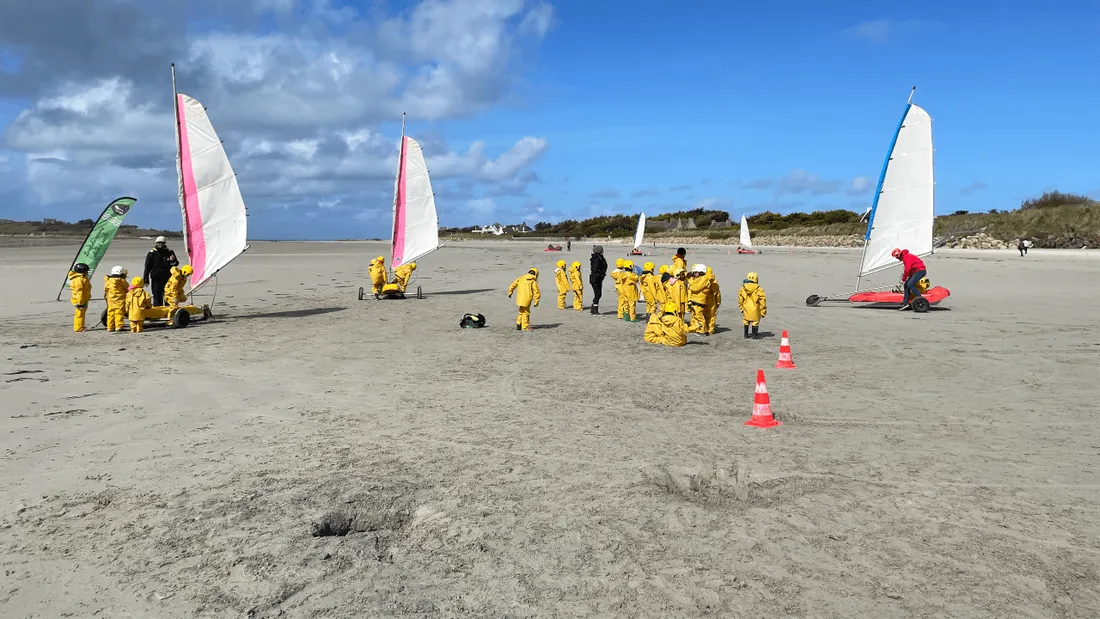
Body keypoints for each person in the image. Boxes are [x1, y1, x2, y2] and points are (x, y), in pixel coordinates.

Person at [143, 236, 179, 307]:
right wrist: (146, 280)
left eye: (162, 243)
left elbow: (176, 264)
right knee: (157, 295)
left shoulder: (169, 252)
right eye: (159, 243)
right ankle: (157, 310)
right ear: (156, 243)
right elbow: (147, 267)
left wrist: (173, 260)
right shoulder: (152, 253)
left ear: (164, 243)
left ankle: (169, 309)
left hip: (167, 278)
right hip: (156, 278)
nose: (160, 244)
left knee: (168, 294)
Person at [738, 271, 767, 339]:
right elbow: (762, 302)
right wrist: (763, 312)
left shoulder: (743, 289)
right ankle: (754, 335)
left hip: (746, 308)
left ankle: (746, 334)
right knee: (755, 322)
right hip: (755, 309)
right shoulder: (759, 290)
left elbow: (740, 299)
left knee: (746, 321)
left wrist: (741, 308)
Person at [686, 264, 712, 334]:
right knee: (695, 315)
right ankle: (696, 329)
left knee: (699, 316)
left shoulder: (704, 279)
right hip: (695, 299)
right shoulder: (699, 279)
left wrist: (688, 285)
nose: (694, 274)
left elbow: (696, 288)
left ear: (700, 272)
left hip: (699, 300)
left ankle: (702, 331)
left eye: (695, 272)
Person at [104, 265, 129, 332]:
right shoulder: (123, 281)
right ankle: (119, 326)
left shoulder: (109, 281)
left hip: (111, 301)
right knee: (119, 314)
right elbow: (127, 289)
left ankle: (110, 327)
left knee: (110, 314)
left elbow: (106, 289)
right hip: (120, 301)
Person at [68, 263, 91, 333]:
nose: (87, 272)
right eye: (85, 271)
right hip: (80, 300)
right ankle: (79, 328)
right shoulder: (79, 280)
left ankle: (81, 326)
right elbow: (79, 292)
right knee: (79, 314)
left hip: (83, 298)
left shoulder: (83, 277)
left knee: (82, 313)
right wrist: (80, 303)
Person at [589, 245, 607, 315]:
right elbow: (595, 269)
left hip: (596, 278)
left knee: (598, 294)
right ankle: (594, 310)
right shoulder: (597, 259)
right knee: (598, 294)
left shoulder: (598, 258)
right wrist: (600, 274)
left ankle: (593, 309)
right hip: (595, 278)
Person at [704, 266, 721, 336]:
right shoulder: (715, 282)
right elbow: (718, 294)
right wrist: (718, 302)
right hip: (712, 302)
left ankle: (704, 329)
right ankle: (710, 330)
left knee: (704, 316)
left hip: (704, 301)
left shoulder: (703, 281)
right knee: (712, 316)